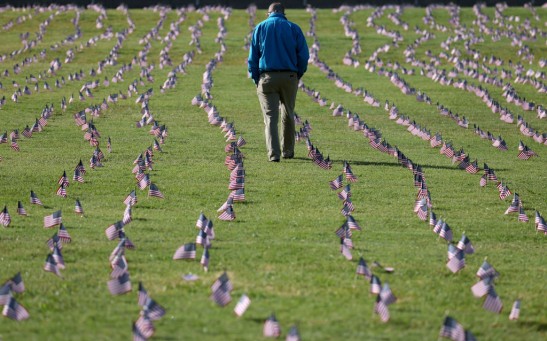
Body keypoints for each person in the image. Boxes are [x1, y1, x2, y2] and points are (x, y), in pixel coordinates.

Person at [248, 2, 309, 162]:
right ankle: (287, 151)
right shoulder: (293, 28)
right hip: (289, 77)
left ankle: (273, 154)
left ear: (269, 13)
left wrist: (257, 78)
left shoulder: (260, 28)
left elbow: (253, 58)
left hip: (267, 77)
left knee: (270, 117)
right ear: (284, 13)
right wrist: (297, 74)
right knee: (288, 113)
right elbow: (303, 56)